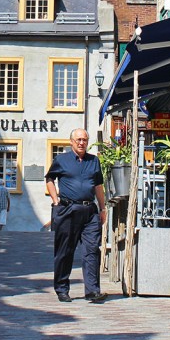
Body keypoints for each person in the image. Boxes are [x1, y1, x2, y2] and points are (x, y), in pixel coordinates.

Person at [44, 128, 107, 303]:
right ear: (71, 141)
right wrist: (56, 200)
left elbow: (98, 186)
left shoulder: (94, 161)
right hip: (68, 210)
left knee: (92, 250)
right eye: (78, 139)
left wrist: (102, 208)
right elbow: (49, 179)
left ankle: (93, 291)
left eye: (85, 140)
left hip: (90, 212)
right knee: (65, 251)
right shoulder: (61, 160)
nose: (81, 143)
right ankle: (62, 289)